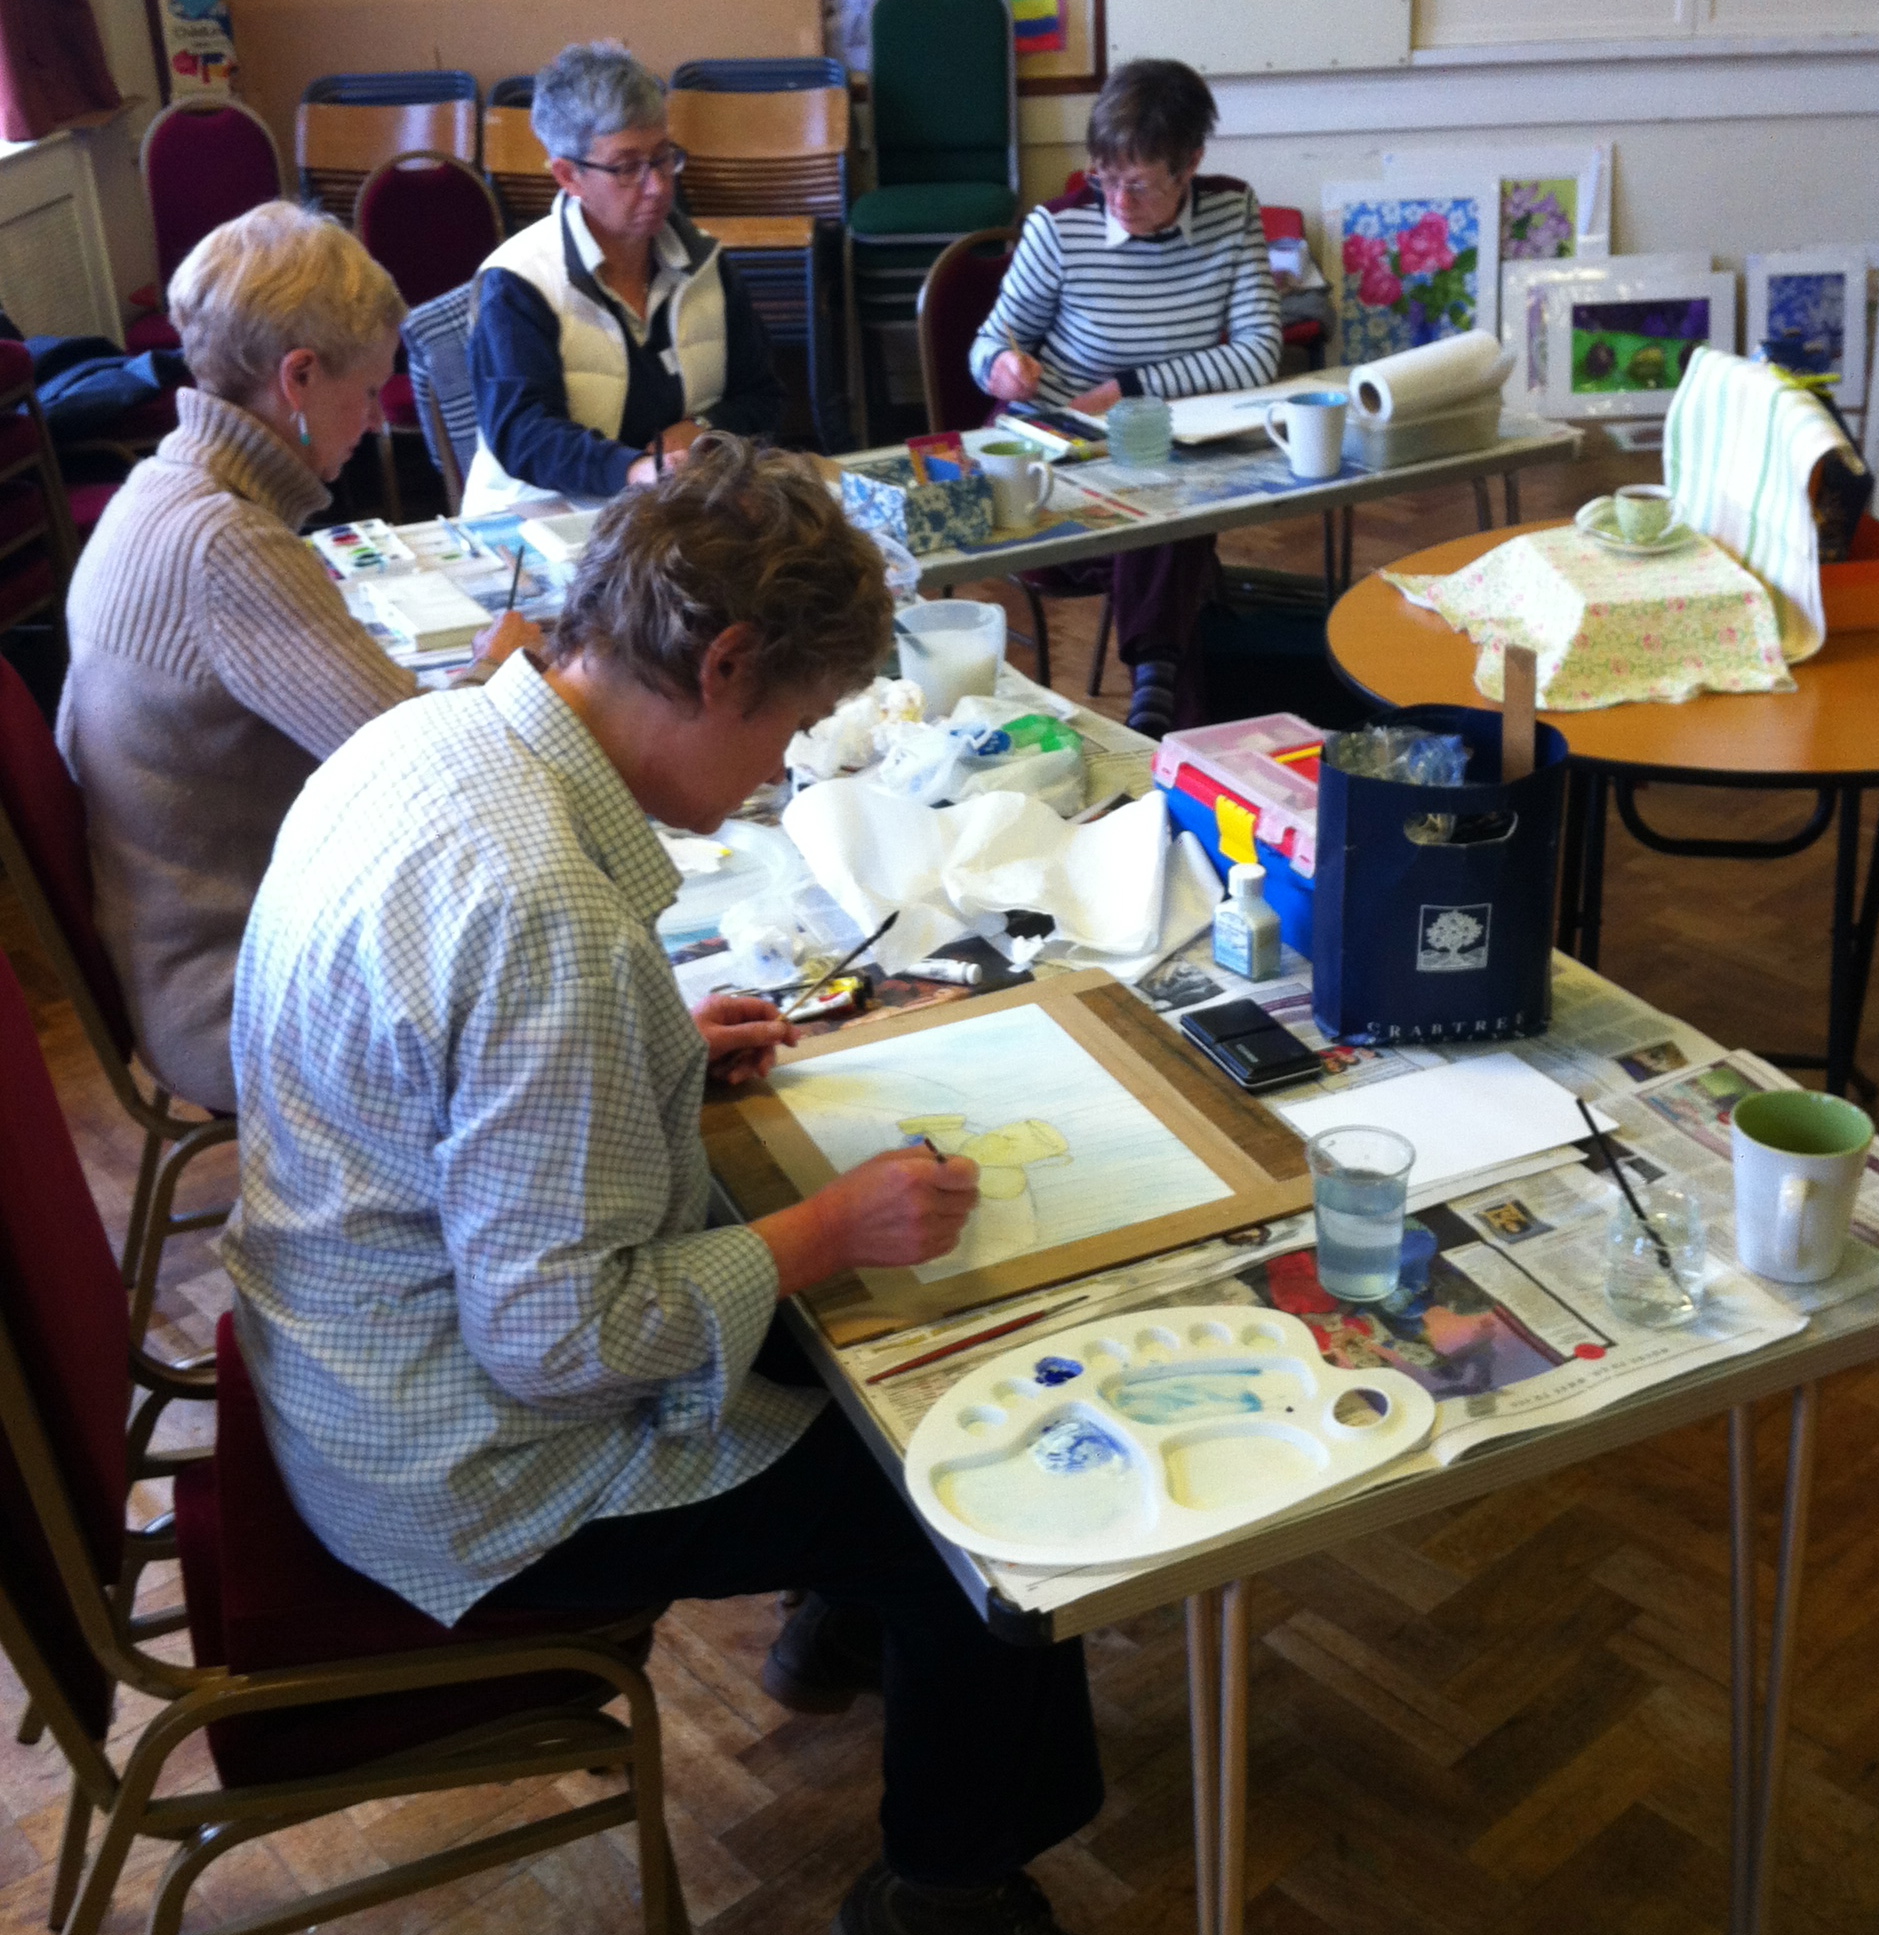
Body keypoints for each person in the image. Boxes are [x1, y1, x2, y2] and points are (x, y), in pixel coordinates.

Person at [222, 439, 1104, 1935]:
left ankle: (839, 1629)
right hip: (456, 1460)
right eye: (798, 726)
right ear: (727, 664)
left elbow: (442, 1068)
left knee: (831, 1344)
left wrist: (645, 1054)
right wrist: (829, 1226)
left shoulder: (429, 741)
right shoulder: (548, 908)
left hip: (334, 1350)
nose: (783, 767)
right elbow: (557, 1345)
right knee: (975, 1482)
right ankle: (947, 1884)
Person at [56, 202, 536, 1113]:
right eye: (366, 393)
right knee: (580, 969)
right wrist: (505, 669)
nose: (369, 420)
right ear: (299, 378)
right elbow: (434, 772)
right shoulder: (228, 547)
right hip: (236, 996)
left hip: (188, 950)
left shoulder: (157, 487)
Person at [969, 60, 1279, 736]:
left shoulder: (1232, 214)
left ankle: (1157, 704)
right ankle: (1163, 698)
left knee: (1167, 504)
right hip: (1055, 472)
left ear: (1191, 161)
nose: (1118, 201)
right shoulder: (1061, 229)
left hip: (1162, 458)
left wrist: (1131, 388)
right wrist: (1001, 368)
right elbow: (990, 342)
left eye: (1139, 184)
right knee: (1175, 527)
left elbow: (1259, 353)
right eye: (1105, 178)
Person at [463, 41, 789, 515]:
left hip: (671, 513)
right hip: (544, 520)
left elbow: (763, 396)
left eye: (662, 158)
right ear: (569, 176)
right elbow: (523, 434)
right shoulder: (517, 282)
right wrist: (631, 470)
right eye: (627, 167)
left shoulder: (705, 262)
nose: (657, 185)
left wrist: (704, 428)